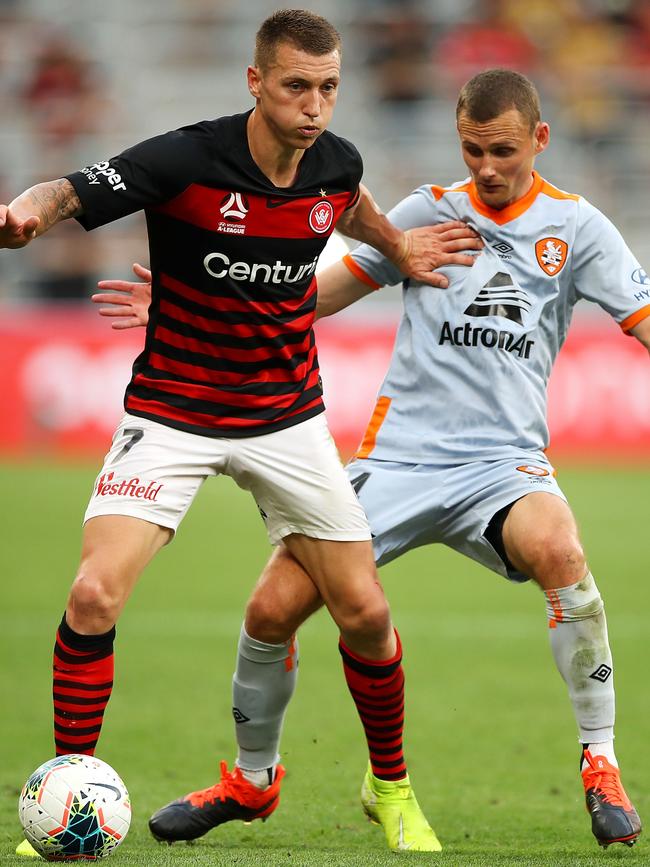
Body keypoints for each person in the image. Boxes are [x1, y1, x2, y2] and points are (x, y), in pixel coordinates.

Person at [95, 68, 648, 850]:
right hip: (397, 461)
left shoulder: (579, 228)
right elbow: (315, 293)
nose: (486, 167)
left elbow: (643, 316)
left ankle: (601, 762)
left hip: (503, 464)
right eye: (472, 149)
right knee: (269, 610)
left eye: (503, 151)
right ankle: (253, 780)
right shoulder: (427, 211)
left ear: (540, 140)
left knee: (562, 548)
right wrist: (194, 301)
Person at [4, 10, 483, 859]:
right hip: (172, 411)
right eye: (297, 85)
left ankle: (393, 789)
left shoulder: (335, 163)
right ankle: (73, 776)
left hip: (287, 418)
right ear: (256, 82)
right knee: (92, 595)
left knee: (367, 612)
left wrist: (397, 246)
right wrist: (27, 216)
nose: (315, 105)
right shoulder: (185, 158)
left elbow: (350, 205)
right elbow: (70, 189)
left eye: (329, 87)